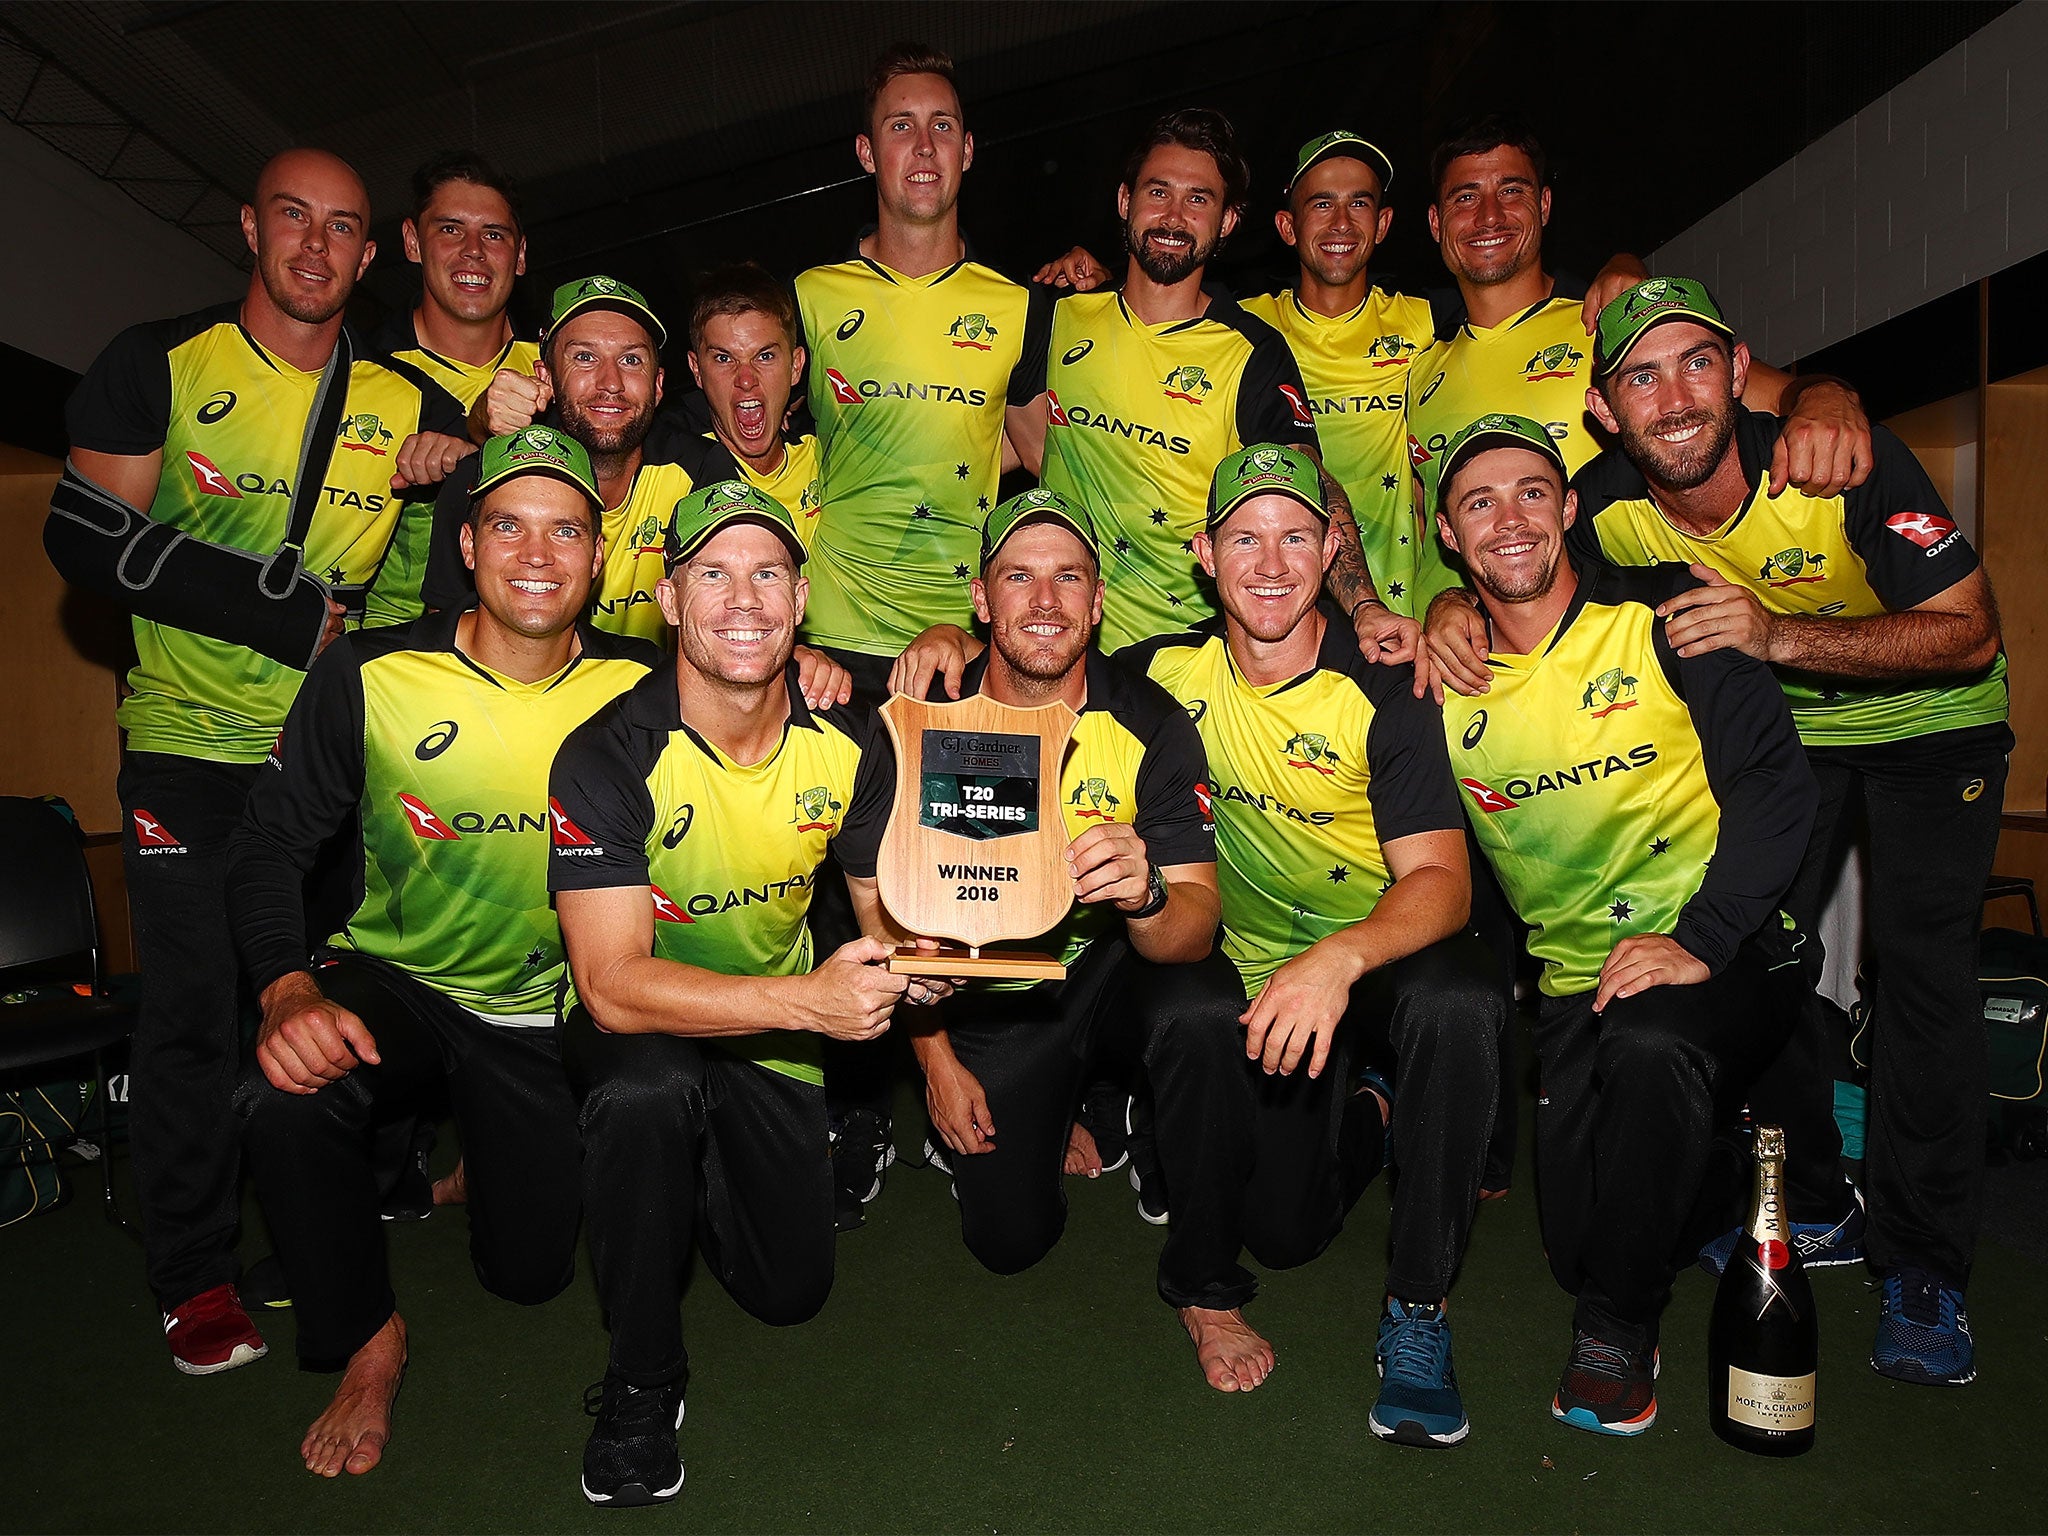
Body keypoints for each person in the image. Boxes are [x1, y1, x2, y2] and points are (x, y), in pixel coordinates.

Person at [48, 147, 473, 1375]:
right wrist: (272, 607)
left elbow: (460, 546)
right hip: (186, 748)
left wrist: (463, 454)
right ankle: (192, 1278)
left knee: (336, 1008)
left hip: (327, 767)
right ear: (248, 226)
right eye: (293, 217)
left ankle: (332, 1220)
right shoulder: (161, 360)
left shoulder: (400, 401)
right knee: (194, 1015)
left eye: (342, 227)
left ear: (366, 249)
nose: (314, 246)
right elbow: (80, 534)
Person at [1558, 280, 2003, 1386]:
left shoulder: (1831, 460)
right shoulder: (1604, 501)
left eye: (1694, 363)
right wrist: (1451, 612)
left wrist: (1775, 637)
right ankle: (1816, 1199)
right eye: (1639, 374)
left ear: (1738, 368)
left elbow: (1967, 632)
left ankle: (1923, 1266)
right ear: (1605, 408)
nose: (1671, 396)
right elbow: (1517, 568)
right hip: (1789, 741)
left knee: (1918, 982)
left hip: (1934, 727)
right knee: (1766, 955)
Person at [227, 427, 653, 1477]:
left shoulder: (650, 691)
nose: (538, 554)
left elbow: (770, 726)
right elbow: (268, 847)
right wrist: (285, 990)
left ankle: (473, 1169)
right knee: (280, 1094)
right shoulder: (373, 672)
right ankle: (365, 1338)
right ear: (467, 544)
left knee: (528, 1273)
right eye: (509, 525)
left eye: (566, 530)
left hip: (552, 1014)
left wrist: (819, 666)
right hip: (404, 983)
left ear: (600, 559)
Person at [1430, 411, 1819, 1435]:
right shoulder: (1433, 684)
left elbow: (1778, 788)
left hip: (1731, 944)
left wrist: (1697, 939)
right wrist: (1427, 614)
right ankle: (1717, 1167)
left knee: (1651, 1051)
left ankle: (1616, 1331)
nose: (1507, 520)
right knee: (1577, 1245)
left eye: (1528, 493)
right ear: (1446, 539)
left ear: (1567, 508)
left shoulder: (1667, 621)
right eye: (1477, 503)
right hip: (1575, 982)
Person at [836, 489, 1267, 1391]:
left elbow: (1195, 921)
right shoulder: (919, 715)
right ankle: (1066, 1105)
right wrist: (936, 1064)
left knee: (1203, 1006)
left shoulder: (1146, 719)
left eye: (1068, 577)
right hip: (982, 998)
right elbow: (874, 907)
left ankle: (1207, 1286)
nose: (1045, 601)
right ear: (981, 602)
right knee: (1009, 1244)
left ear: (1099, 600)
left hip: (1109, 970)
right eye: (1018, 576)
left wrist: (1147, 891)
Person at [1124, 444, 1504, 1446]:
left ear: (1332, 544)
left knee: (1460, 996)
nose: (1269, 560)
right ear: (1205, 553)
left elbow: (1441, 883)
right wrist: (944, 634)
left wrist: (1335, 962)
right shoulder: (1159, 673)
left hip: (1360, 963)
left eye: (1296, 534)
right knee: (1285, 1233)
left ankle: (1418, 1308)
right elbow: (1032, 676)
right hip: (1235, 954)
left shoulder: (1384, 682)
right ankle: (1212, 1279)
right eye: (1243, 536)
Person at [547, 480, 909, 1506]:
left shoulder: (850, 740)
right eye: (711, 572)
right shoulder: (607, 756)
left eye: (765, 574)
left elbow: (880, 918)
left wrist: (950, 947)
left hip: (769, 1036)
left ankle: (686, 1173)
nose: (741, 600)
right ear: (667, 601)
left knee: (789, 1294)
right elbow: (613, 987)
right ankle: (640, 1381)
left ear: (801, 603)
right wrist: (809, 1005)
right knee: (647, 1095)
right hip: (645, 1029)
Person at [792, 41, 1050, 1218]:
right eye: (900, 125)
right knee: (834, 886)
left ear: (968, 150)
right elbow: (748, 449)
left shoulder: (1017, 308)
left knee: (964, 882)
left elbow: (1049, 469)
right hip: (833, 649)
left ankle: (972, 1090)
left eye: (943, 125)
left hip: (961, 648)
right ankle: (855, 1115)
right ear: (864, 150)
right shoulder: (808, 301)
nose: (923, 147)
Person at [1407, 115, 1872, 616]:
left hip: (1627, 640)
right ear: (1436, 223)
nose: (1490, 215)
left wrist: (1830, 396)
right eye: (1466, 196)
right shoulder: (1415, 372)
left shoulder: (1608, 326)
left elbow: (1778, 393)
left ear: (1544, 207)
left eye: (1512, 191)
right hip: (1472, 659)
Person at [1014, 109, 1416, 664]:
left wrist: (1365, 606)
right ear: (1125, 201)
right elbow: (1015, 441)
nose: (1174, 217)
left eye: (1198, 200)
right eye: (1159, 193)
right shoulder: (1054, 318)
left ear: (1227, 222)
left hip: (1190, 660)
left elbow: (1307, 485)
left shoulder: (1255, 351)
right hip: (1060, 649)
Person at [430, 275, 689, 643]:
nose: (611, 383)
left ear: (659, 384)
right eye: (585, 357)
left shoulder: (698, 476)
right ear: (546, 376)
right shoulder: (482, 483)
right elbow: (440, 645)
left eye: (631, 360)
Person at [363, 151, 540, 627]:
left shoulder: (563, 374)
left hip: (539, 649)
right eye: (449, 229)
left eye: (495, 235)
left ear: (520, 255)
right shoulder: (355, 376)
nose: (474, 251)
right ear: (411, 241)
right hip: (398, 650)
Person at [677, 263, 823, 546]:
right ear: (696, 369)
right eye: (723, 358)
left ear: (796, 366)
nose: (746, 379)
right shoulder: (676, 481)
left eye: (765, 356)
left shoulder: (827, 459)